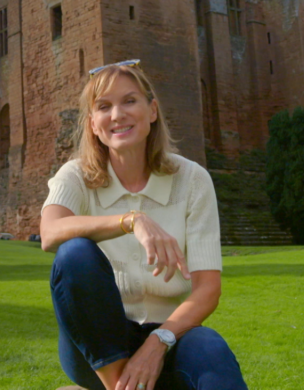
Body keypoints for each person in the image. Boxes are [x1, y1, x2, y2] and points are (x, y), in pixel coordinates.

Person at [41, 60, 247, 390]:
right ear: (93, 124)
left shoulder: (192, 179)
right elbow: (50, 233)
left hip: (169, 334)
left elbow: (208, 289)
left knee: (210, 349)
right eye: (104, 107)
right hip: (96, 347)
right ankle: (117, 385)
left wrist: (158, 342)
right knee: (74, 253)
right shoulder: (75, 175)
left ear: (152, 111)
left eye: (130, 101)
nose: (117, 115)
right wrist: (130, 220)